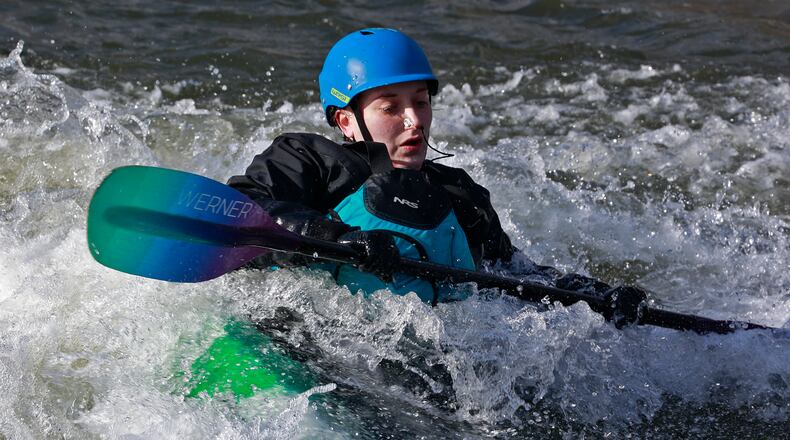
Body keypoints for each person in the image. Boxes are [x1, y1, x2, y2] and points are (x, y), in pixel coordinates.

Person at [229, 28, 646, 325]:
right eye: (391, 107)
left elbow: (515, 275)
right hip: (302, 333)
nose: (414, 121)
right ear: (347, 120)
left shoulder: (459, 195)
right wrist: (337, 238)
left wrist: (594, 296)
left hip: (423, 364)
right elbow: (242, 210)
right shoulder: (310, 159)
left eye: (421, 103)